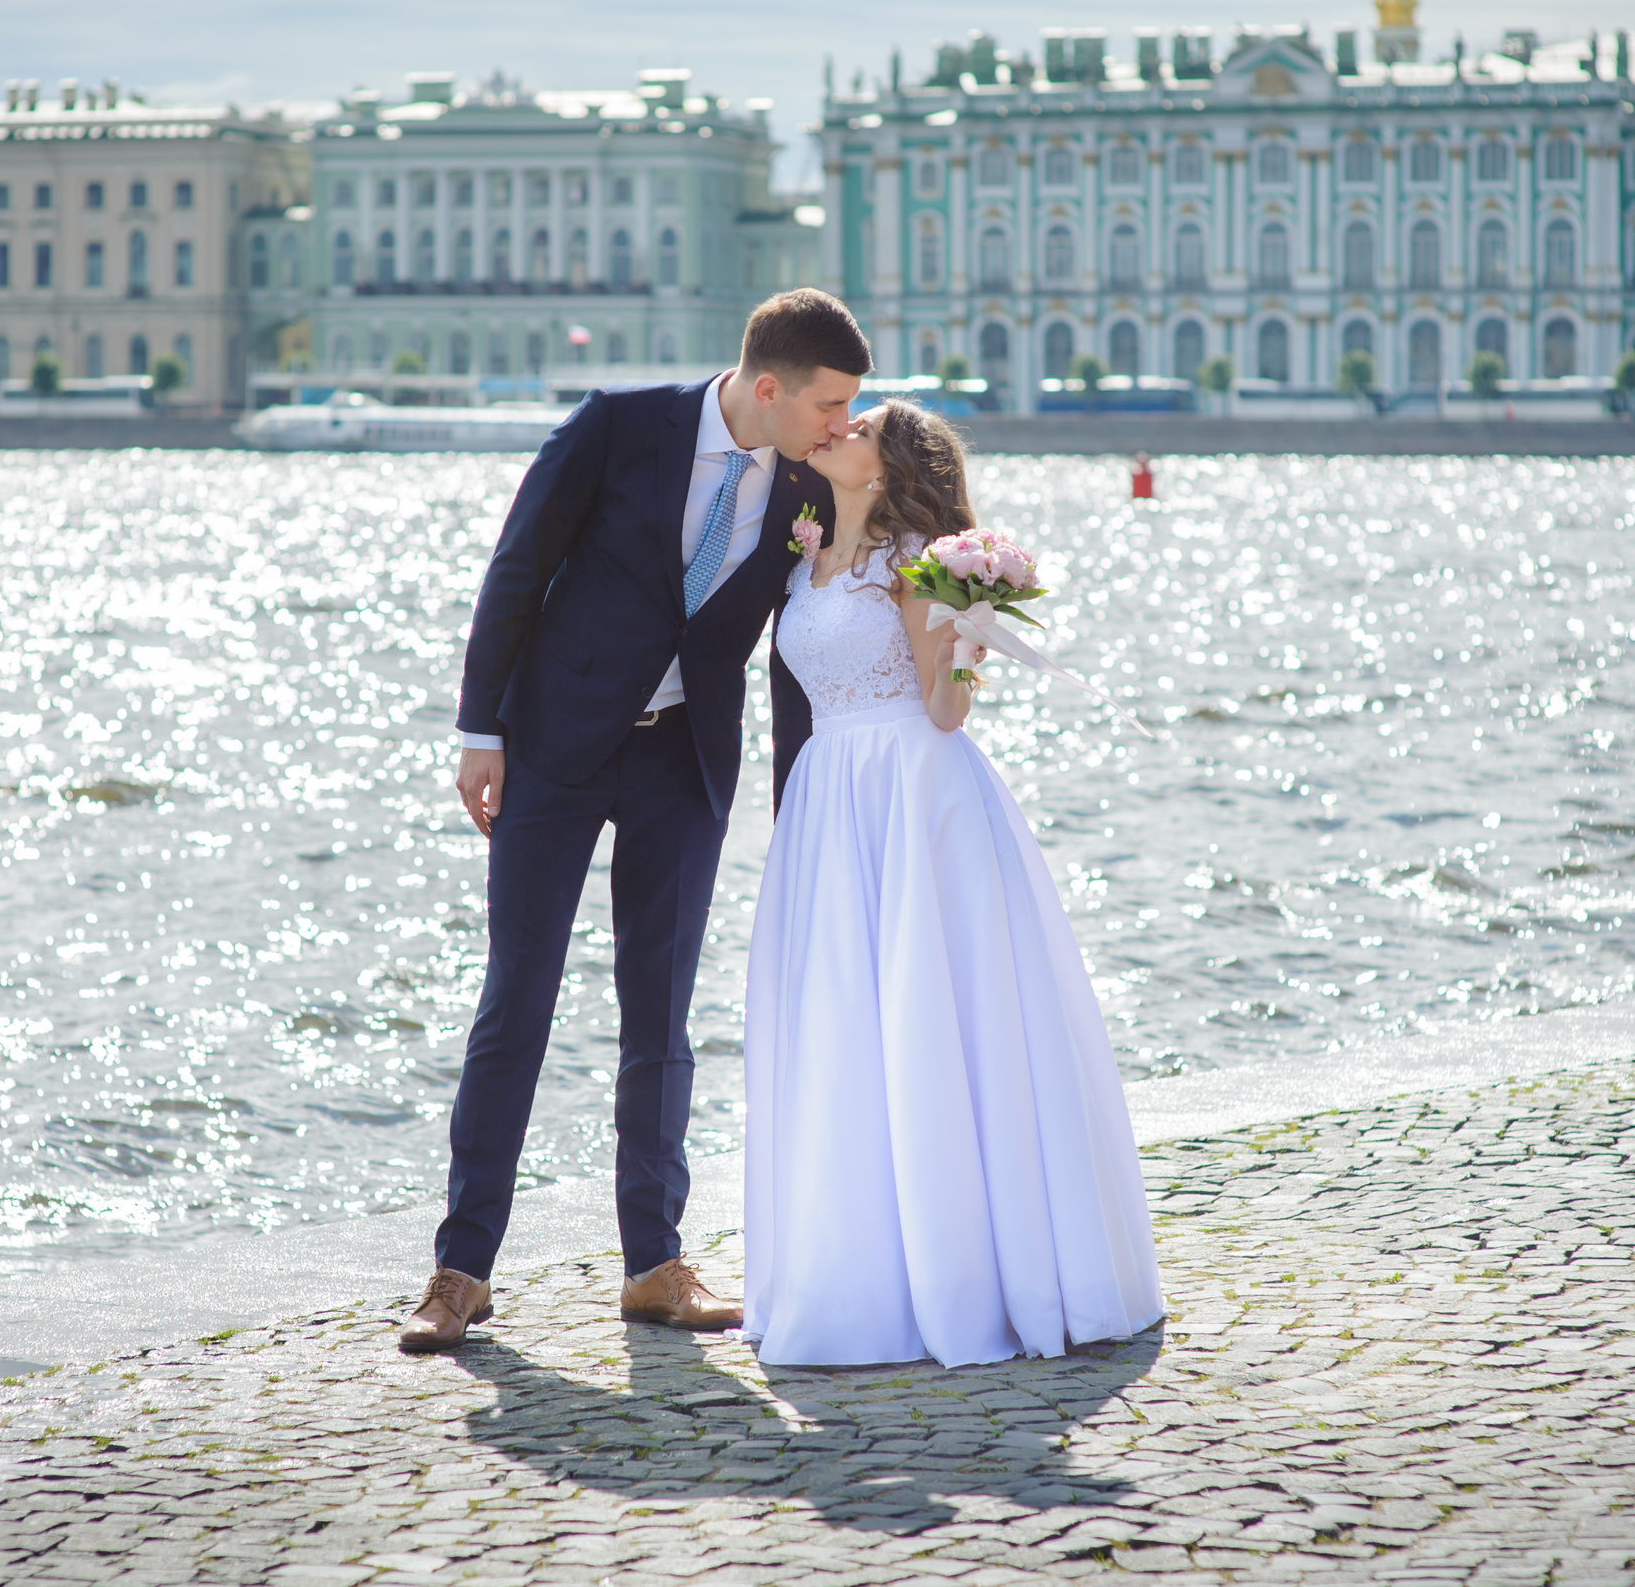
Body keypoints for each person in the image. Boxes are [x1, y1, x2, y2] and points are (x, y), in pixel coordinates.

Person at [399, 290, 867, 1353]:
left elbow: (797, 649)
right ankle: (459, 1271)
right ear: (766, 387)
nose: (842, 422)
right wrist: (481, 730)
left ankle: (653, 1264)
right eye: (829, 403)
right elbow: (518, 568)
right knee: (515, 1000)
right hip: (552, 750)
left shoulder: (809, 483)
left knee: (659, 1015)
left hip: (682, 762)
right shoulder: (615, 424)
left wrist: (803, 802)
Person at [742, 403, 1166, 1368]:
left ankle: (960, 1273)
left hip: (912, 793)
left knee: (934, 1009)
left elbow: (942, 715)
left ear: (885, 469)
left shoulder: (912, 562)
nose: (837, 433)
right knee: (845, 1018)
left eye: (858, 432)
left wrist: (970, 637)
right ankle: (845, 1259)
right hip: (827, 801)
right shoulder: (807, 553)